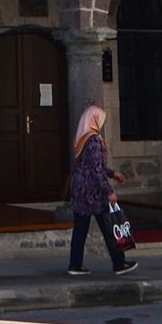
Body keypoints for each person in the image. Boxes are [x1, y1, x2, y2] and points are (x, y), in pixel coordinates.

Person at [65, 105, 137, 277]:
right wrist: (108, 191)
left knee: (80, 228)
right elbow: (96, 170)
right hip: (93, 192)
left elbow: (91, 165)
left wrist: (112, 173)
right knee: (108, 226)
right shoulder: (95, 140)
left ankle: (75, 264)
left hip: (80, 189)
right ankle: (119, 263)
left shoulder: (82, 137)